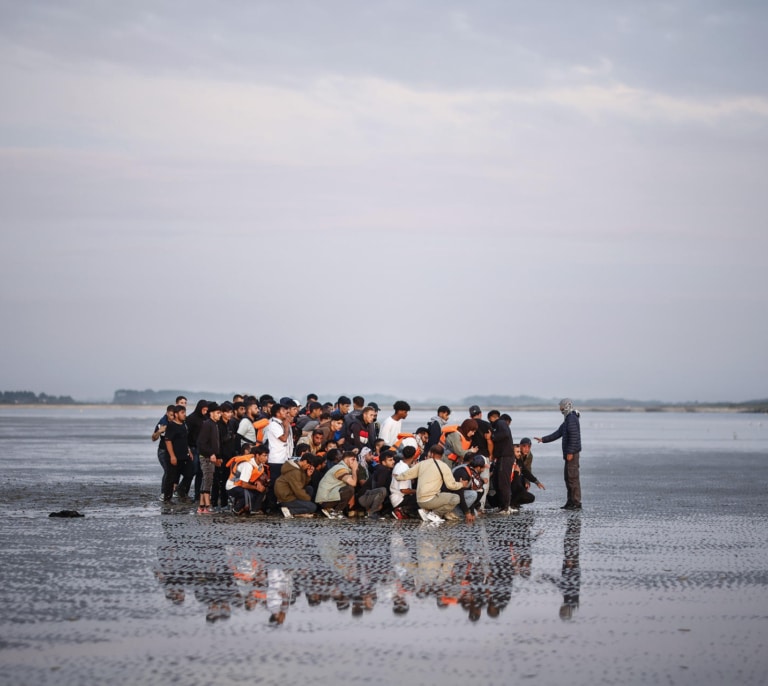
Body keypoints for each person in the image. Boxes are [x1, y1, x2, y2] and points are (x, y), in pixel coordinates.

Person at [393, 444, 468, 522]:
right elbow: (451, 485)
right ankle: (436, 514)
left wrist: (397, 477)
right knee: (455, 498)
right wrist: (462, 484)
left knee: (440, 494)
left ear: (431, 453)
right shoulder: (444, 466)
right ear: (442, 455)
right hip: (430, 500)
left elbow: (408, 474)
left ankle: (427, 511)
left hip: (419, 500)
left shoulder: (422, 463)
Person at [535, 398, 582, 510]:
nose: (559, 408)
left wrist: (570, 452)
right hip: (569, 453)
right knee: (568, 478)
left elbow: (574, 437)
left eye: (561, 406)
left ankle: (576, 502)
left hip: (572, 453)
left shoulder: (571, 418)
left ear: (566, 406)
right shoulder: (567, 419)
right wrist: (543, 439)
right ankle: (570, 501)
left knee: (572, 478)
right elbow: (558, 433)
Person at [225, 444, 270, 515]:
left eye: (267, 456)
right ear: (257, 455)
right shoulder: (248, 465)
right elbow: (244, 484)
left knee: (263, 489)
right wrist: (256, 488)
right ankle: (236, 509)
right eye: (264, 456)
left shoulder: (259, 464)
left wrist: (258, 482)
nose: (266, 458)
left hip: (242, 485)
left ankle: (255, 510)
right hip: (232, 486)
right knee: (249, 494)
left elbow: (253, 476)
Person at [162, 404, 192, 503]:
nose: (184, 415)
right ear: (176, 414)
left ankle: (180, 490)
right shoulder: (171, 425)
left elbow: (185, 439)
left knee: (190, 473)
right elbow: (168, 441)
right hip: (173, 457)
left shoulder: (183, 425)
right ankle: (167, 498)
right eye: (182, 413)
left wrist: (189, 451)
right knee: (171, 478)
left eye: (185, 412)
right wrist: (172, 456)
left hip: (184, 456)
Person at [315, 450, 359, 518]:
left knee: (350, 490)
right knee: (349, 490)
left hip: (329, 496)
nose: (354, 462)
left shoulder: (343, 468)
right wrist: (354, 469)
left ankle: (334, 511)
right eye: (353, 459)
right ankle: (336, 512)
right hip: (324, 500)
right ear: (346, 459)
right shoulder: (340, 469)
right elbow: (353, 483)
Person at [196, 402, 222, 514]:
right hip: (206, 457)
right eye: (218, 412)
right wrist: (211, 453)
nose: (220, 415)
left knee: (206, 479)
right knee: (208, 480)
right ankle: (207, 505)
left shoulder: (214, 424)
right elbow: (201, 443)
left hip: (211, 457)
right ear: (211, 413)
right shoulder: (207, 424)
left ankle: (201, 506)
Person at [275, 453, 318, 518]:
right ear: (304, 461)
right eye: (309, 465)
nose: (308, 467)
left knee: (309, 489)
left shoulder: (299, 468)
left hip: (292, 494)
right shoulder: (295, 471)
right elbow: (298, 490)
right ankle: (289, 511)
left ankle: (299, 509)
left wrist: (308, 476)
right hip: (286, 498)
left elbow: (301, 484)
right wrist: (309, 500)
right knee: (312, 507)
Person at [490, 412, 516, 514]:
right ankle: (503, 505)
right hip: (504, 458)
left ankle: (505, 507)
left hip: (505, 457)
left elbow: (504, 434)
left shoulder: (501, 423)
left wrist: (492, 436)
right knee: (498, 481)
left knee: (502, 483)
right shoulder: (502, 424)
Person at [390, 446, 419, 519]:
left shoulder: (399, 464)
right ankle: (401, 510)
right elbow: (404, 490)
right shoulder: (404, 469)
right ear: (413, 456)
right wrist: (418, 491)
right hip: (399, 499)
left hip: (395, 497)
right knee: (421, 497)